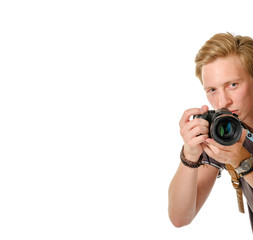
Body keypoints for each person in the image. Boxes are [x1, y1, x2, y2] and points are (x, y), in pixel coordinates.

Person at [168, 32, 253, 231]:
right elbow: (180, 217)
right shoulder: (225, 131)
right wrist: (189, 156)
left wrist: (244, 164)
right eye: (212, 90)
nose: (223, 102)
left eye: (233, 85)